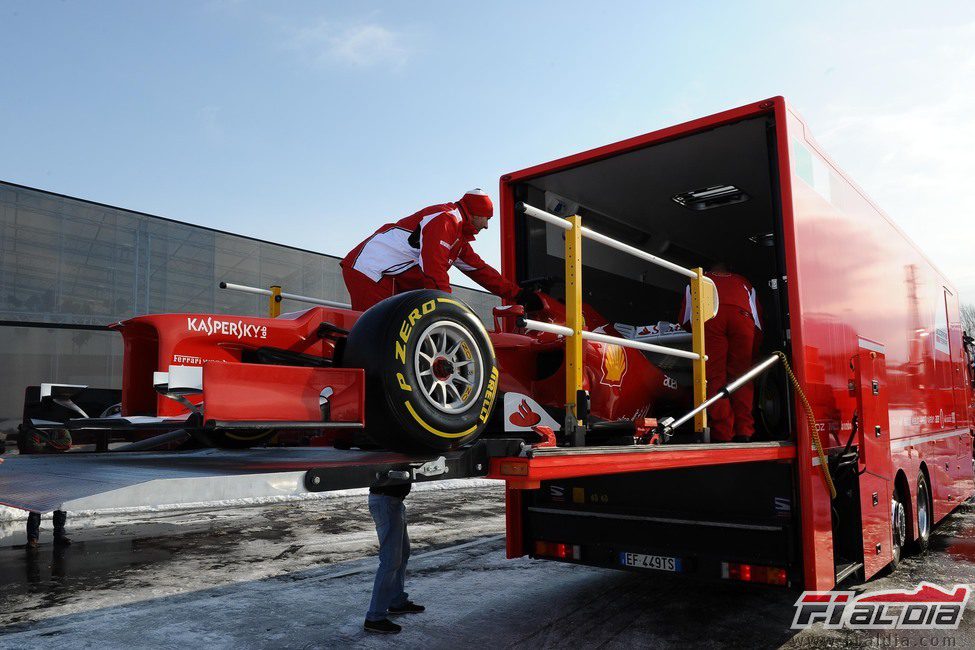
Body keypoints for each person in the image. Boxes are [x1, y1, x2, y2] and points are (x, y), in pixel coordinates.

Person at [341, 189, 521, 311]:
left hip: (388, 278)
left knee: (392, 334)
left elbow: (481, 271)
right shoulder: (445, 220)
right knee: (377, 334)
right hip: (370, 271)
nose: (487, 226)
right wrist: (447, 307)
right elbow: (433, 268)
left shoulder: (458, 239)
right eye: (487, 218)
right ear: (477, 213)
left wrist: (518, 295)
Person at [679, 262, 762, 442]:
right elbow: (757, 323)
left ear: (709, 269)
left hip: (711, 318)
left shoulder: (697, 279)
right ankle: (745, 432)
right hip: (743, 319)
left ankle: (723, 433)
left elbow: (686, 319)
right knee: (742, 377)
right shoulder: (744, 282)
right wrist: (753, 353)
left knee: (714, 377)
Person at [364, 481, 423, 634]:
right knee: (391, 560)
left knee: (403, 553)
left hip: (394, 501)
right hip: (386, 501)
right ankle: (374, 618)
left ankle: (397, 601)